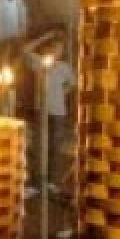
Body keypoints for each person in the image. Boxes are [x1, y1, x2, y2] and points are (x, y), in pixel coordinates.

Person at [24, 28, 75, 189]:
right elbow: (24, 51)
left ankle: (52, 182)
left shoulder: (64, 67)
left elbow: (73, 84)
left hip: (58, 112)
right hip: (42, 110)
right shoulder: (39, 62)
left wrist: (62, 94)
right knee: (39, 146)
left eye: (60, 49)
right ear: (47, 49)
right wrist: (46, 35)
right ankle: (36, 181)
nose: (57, 52)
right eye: (54, 48)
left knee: (54, 147)